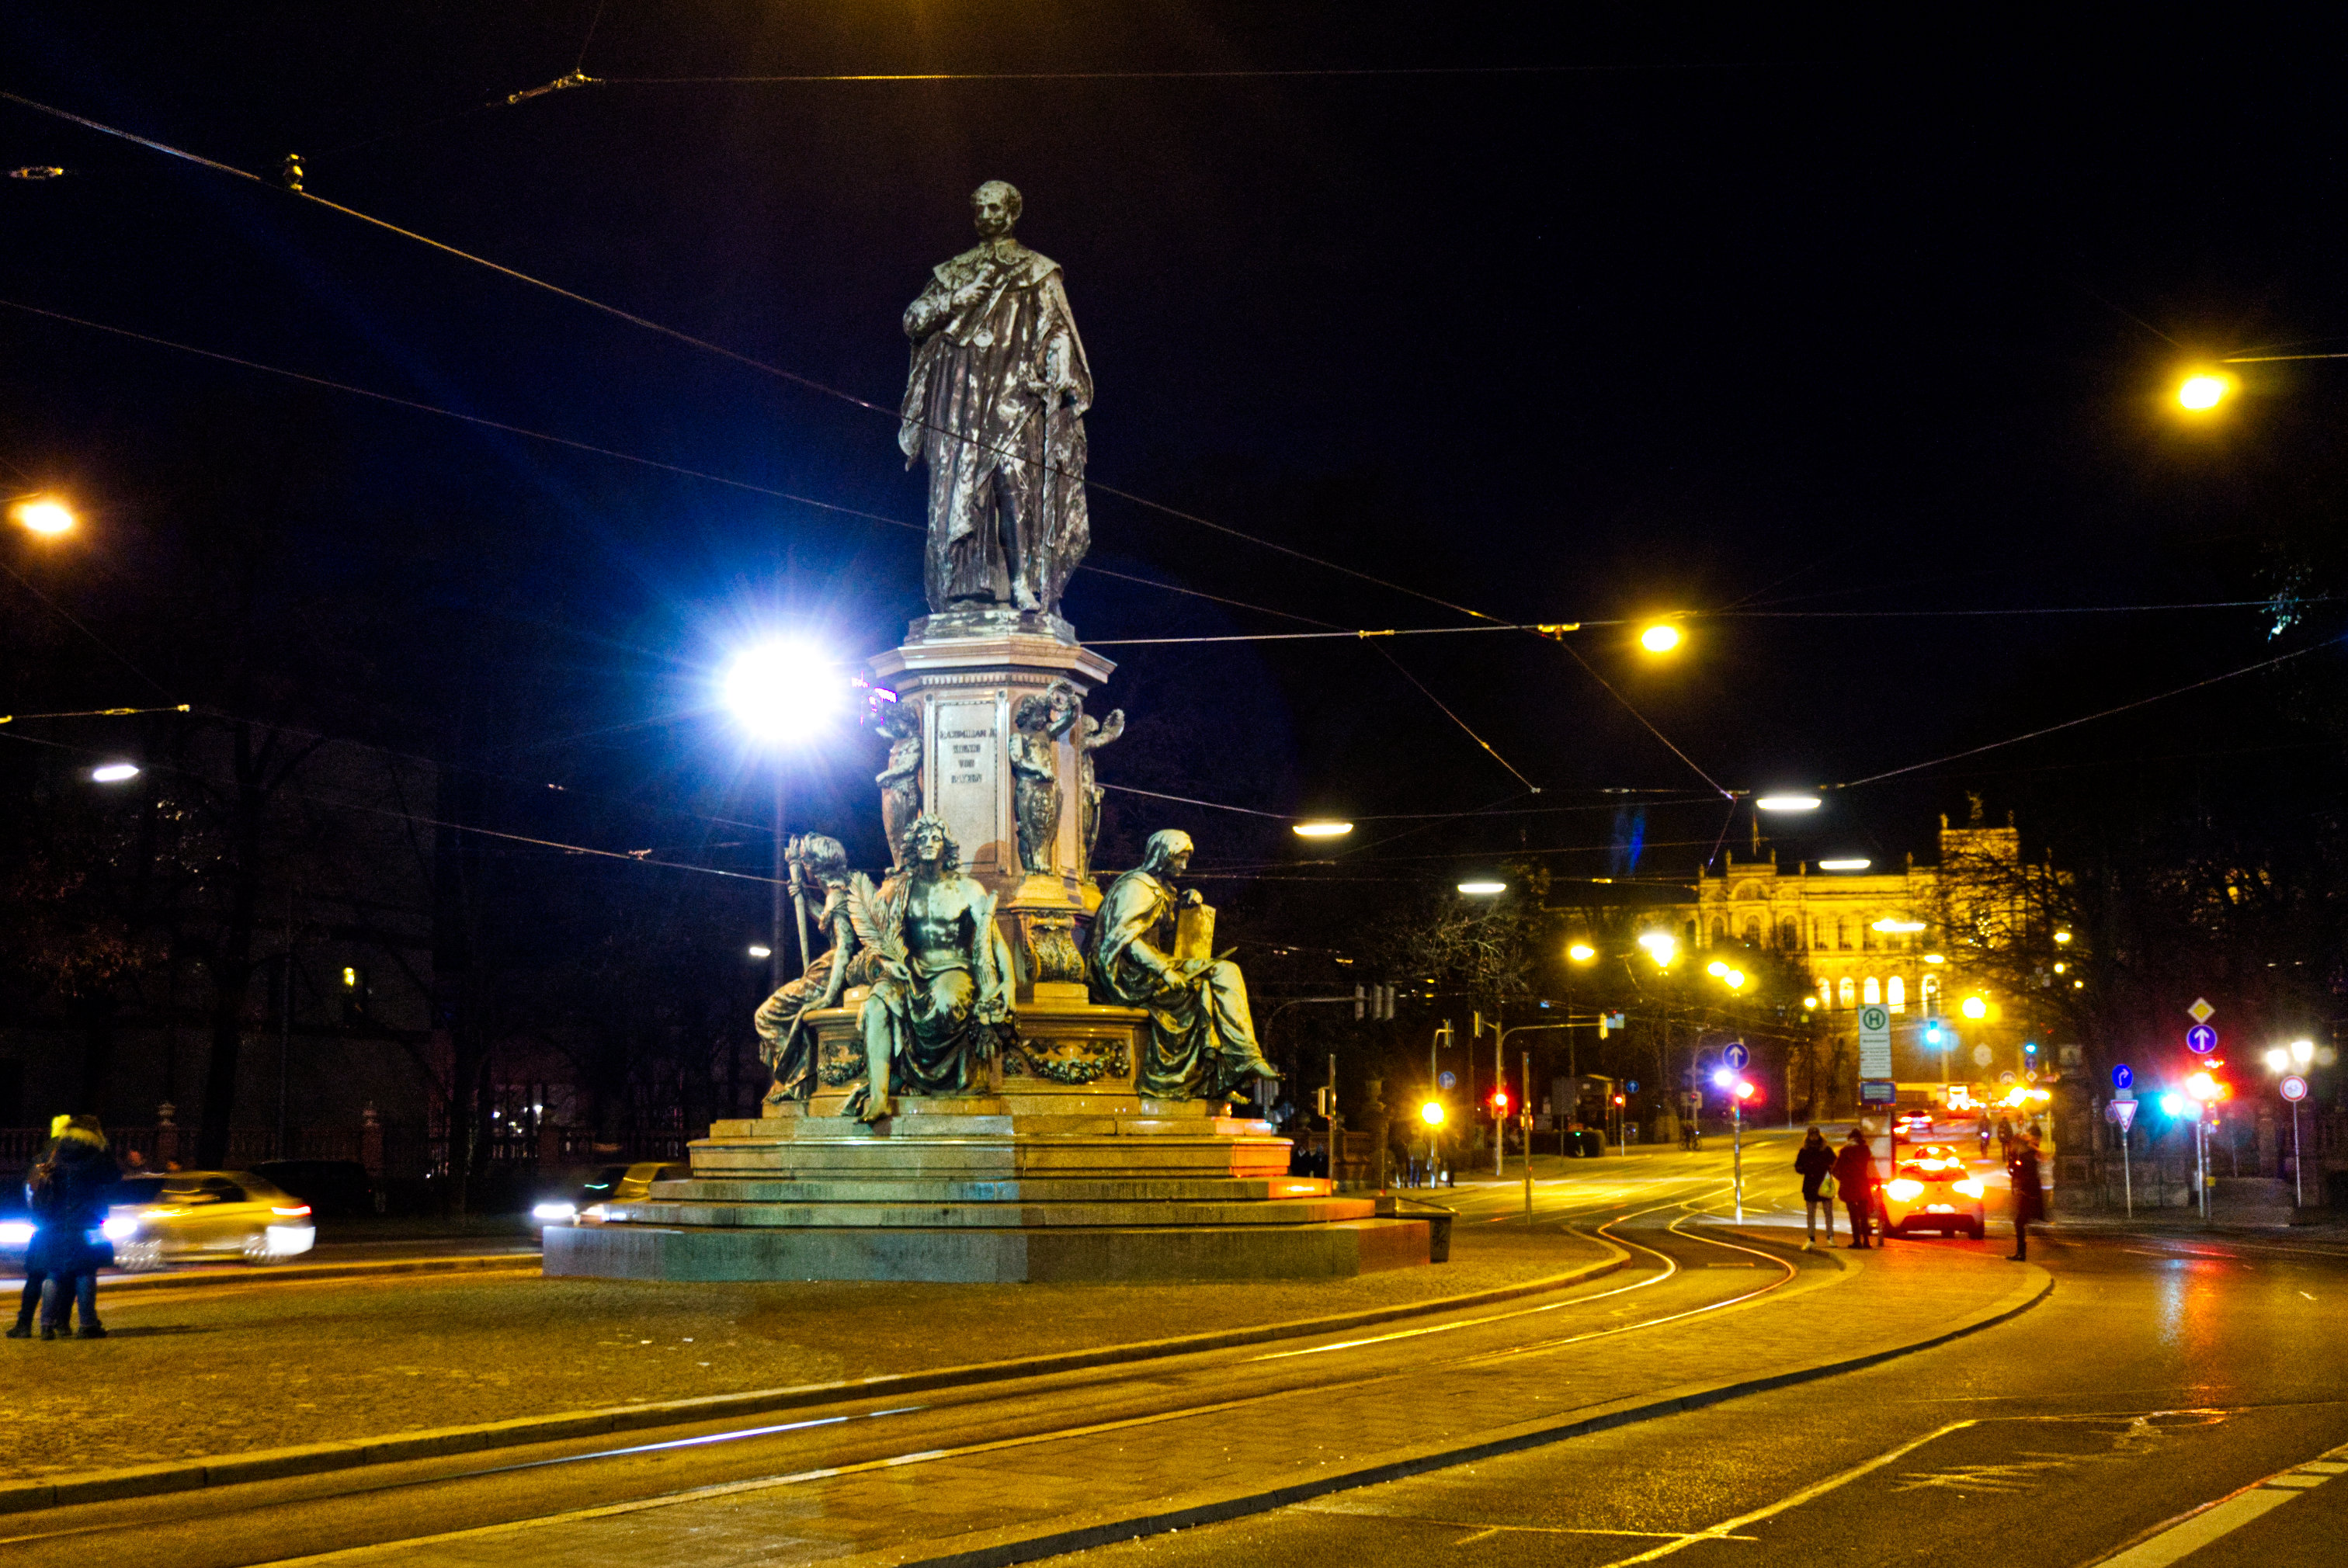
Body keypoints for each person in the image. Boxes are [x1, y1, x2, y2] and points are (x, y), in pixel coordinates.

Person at [1091, 829, 1282, 1101]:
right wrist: (1165, 970)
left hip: (1149, 967)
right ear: (1161, 856)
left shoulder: (1158, 888)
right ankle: (1220, 1073)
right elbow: (1125, 941)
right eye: (1178, 859)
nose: (1183, 866)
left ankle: (1237, 1063)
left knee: (1225, 972)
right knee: (1203, 986)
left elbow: (1160, 931)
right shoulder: (1135, 887)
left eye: (1186, 860)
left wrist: (1185, 903)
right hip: (1129, 976)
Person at [26, 1115, 118, 1339]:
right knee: (86, 1270)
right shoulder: (96, 1153)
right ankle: (87, 1325)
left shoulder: (55, 1150)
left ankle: (46, 1325)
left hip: (53, 1222)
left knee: (53, 1271)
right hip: (88, 1221)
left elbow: (37, 1175)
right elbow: (114, 1176)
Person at [1832, 1126, 1879, 1248]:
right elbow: (1871, 1168)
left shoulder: (1845, 1152)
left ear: (1850, 1139)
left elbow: (1835, 1170)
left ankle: (1857, 1241)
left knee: (1853, 1215)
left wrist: (1842, 1179)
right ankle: (1866, 1242)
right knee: (1864, 1214)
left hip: (1849, 1186)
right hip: (1863, 1185)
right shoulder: (1866, 1151)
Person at [1794, 1125, 1838, 1250]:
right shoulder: (1808, 1151)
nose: (1814, 1137)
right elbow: (1798, 1166)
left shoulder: (1822, 1150)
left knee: (1826, 1212)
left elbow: (1835, 1163)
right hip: (1813, 1183)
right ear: (1809, 1136)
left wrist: (1829, 1169)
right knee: (1812, 1213)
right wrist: (1803, 1169)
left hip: (1820, 1183)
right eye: (1812, 1135)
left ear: (1818, 1135)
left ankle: (1829, 1237)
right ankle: (1813, 1238)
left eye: (1815, 1135)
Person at [2008, 1130, 2045, 1261]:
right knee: (2021, 1221)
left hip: (2028, 1193)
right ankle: (2021, 1252)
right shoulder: (2029, 1155)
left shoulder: (2025, 1157)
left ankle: (2021, 1253)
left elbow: (2019, 1173)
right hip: (2030, 1192)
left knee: (2019, 1222)